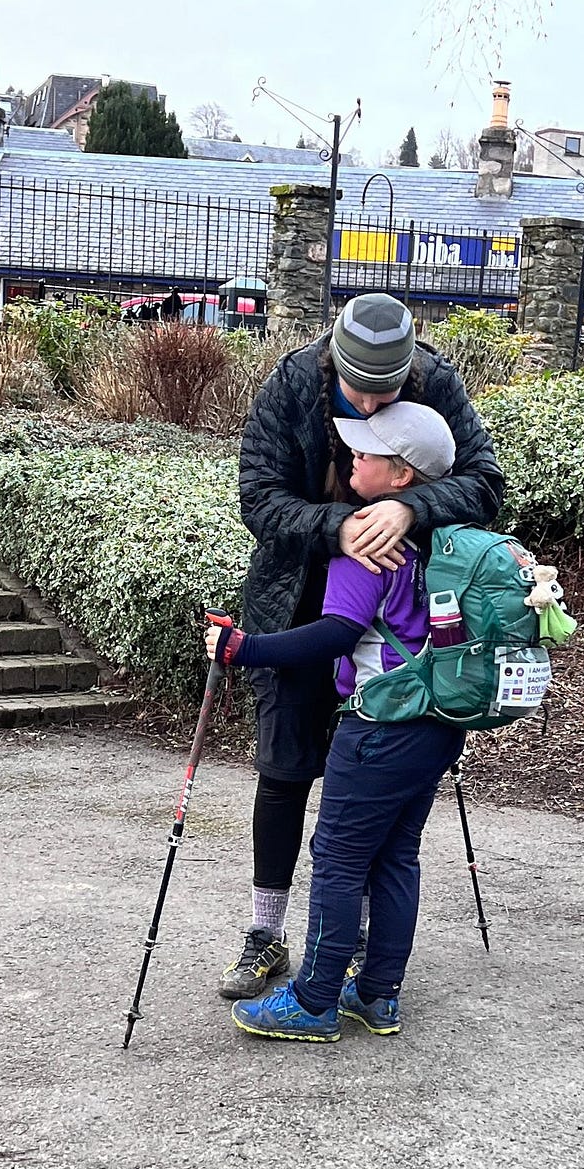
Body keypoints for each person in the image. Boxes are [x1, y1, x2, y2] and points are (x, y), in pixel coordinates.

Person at [222, 291, 502, 1000]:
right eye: (360, 395)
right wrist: (337, 528)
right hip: (299, 598)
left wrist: (411, 504)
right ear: (333, 366)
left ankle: (359, 945)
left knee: (373, 791)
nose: (374, 410)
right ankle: (265, 933)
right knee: (284, 770)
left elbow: (485, 484)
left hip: (401, 623)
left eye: (389, 394)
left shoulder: (434, 380)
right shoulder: (291, 383)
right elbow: (258, 498)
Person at [206, 402, 467, 1040]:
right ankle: (377, 996)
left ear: (401, 475)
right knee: (397, 857)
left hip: (377, 722)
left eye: (367, 451)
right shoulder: (450, 540)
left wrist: (246, 648)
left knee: (340, 859)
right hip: (437, 722)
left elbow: (334, 634)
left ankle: (316, 1000)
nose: (352, 454)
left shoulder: (366, 545)